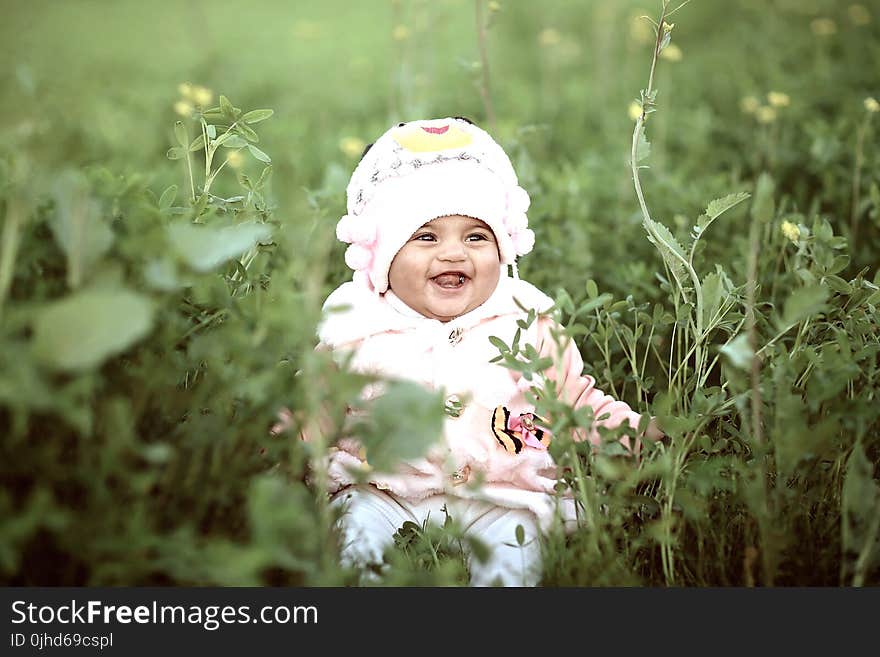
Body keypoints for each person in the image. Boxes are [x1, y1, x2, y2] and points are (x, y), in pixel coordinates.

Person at [280, 116, 660, 586]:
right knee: (356, 536)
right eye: (426, 237)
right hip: (381, 487)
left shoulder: (526, 322)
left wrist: (640, 434)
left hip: (498, 494)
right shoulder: (359, 326)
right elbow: (316, 406)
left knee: (517, 550)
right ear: (383, 256)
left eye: (476, 237)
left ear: (503, 249)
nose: (454, 254)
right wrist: (279, 442)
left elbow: (574, 402)